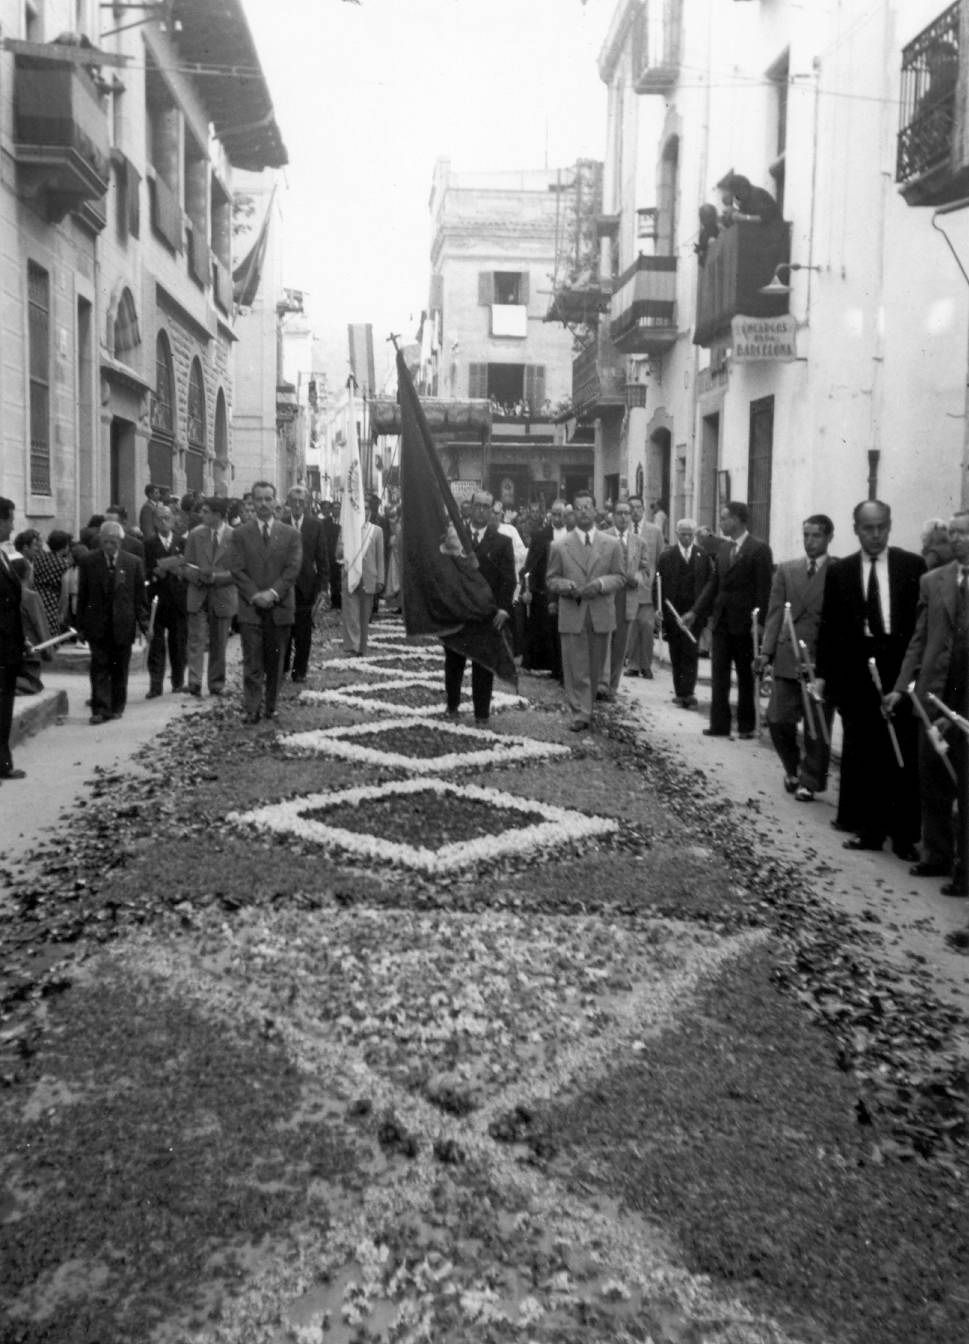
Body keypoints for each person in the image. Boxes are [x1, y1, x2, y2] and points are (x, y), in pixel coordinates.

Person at [816, 499, 924, 859]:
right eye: (868, 528)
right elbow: (829, 629)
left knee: (903, 749)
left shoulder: (912, 566)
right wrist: (823, 676)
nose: (875, 535)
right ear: (856, 529)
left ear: (889, 527)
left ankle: (905, 836)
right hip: (857, 671)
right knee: (864, 750)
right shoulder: (841, 572)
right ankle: (870, 831)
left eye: (881, 527)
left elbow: (919, 629)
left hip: (900, 667)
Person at [884, 509, 969, 896]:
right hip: (932, 695)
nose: (956, 540)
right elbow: (918, 640)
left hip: (967, 698)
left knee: (965, 785)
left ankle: (965, 870)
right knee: (932, 779)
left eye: (963, 533)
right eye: (951, 533)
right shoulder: (933, 581)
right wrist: (902, 687)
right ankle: (936, 854)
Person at [757, 515, 836, 800]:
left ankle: (810, 780)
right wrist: (766, 652)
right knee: (777, 718)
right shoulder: (787, 570)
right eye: (806, 535)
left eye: (816, 535)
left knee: (817, 725)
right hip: (788, 655)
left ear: (829, 538)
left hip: (820, 659)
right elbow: (775, 612)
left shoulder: (839, 570)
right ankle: (792, 767)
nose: (810, 541)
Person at [685, 500, 773, 738]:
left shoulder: (759, 549)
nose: (721, 522)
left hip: (746, 624)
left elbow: (765, 590)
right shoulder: (723, 549)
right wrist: (695, 611)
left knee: (746, 675)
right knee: (719, 674)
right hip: (722, 621)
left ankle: (746, 726)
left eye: (724, 518)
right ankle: (719, 724)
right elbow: (714, 585)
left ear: (737, 520)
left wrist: (761, 624)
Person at [546, 489, 625, 731]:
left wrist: (601, 584)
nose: (583, 511)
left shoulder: (611, 544)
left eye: (587, 506)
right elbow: (551, 579)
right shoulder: (560, 546)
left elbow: (620, 577)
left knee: (595, 665)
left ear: (595, 510)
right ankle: (580, 711)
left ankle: (587, 707)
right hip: (573, 611)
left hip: (600, 612)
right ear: (573, 512)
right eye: (578, 507)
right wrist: (566, 586)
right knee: (574, 665)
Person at [229, 481, 301, 723]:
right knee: (252, 662)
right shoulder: (240, 534)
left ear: (276, 501)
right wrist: (255, 595)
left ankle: (271, 705)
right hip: (251, 609)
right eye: (258, 500)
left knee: (276, 662)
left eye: (268, 499)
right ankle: (252, 708)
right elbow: (237, 569)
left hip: (280, 608)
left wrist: (272, 593)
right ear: (252, 502)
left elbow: (292, 570)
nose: (263, 504)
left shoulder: (290, 534)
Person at [444, 490, 515, 727]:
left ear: (492, 509)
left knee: (483, 665)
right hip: (459, 612)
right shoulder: (455, 537)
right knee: (454, 661)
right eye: (478, 506)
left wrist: (504, 608)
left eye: (487, 506)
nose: (482, 510)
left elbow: (508, 579)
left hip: (487, 614)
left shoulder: (502, 542)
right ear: (470, 507)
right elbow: (445, 573)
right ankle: (452, 707)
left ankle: (481, 714)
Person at [75, 520, 148, 724]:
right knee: (99, 666)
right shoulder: (89, 561)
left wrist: (144, 625)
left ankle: (117, 705)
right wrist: (80, 625)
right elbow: (83, 595)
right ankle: (100, 709)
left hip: (123, 624)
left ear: (120, 542)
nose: (109, 546)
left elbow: (140, 598)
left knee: (119, 667)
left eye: (113, 542)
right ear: (100, 542)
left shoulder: (132, 563)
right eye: (105, 542)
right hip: (97, 623)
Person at [656, 518, 713, 708]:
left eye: (690, 534)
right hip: (673, 613)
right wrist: (659, 610)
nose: (687, 538)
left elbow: (708, 586)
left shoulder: (702, 555)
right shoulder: (666, 556)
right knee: (676, 651)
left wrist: (702, 612)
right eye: (683, 534)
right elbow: (658, 585)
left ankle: (689, 692)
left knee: (691, 651)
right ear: (676, 534)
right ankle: (680, 691)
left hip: (694, 613)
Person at [184, 497, 237, 699]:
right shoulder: (196, 535)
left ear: (219, 515)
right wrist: (195, 575)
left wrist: (217, 577)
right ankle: (194, 682)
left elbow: (238, 571)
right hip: (198, 592)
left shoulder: (235, 537)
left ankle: (216, 682)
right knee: (196, 639)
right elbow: (186, 564)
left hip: (222, 594)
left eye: (206, 512)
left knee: (219, 641)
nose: (202, 515)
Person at [598, 499, 651, 701]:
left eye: (627, 513)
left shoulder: (639, 542)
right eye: (619, 513)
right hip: (607, 596)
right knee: (604, 641)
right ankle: (600, 685)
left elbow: (646, 569)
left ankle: (612, 687)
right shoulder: (603, 537)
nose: (623, 517)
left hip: (628, 598)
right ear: (613, 515)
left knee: (620, 645)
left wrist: (638, 577)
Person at [283, 485, 329, 682]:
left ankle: (299, 670)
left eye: (302, 501)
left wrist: (323, 587)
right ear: (288, 503)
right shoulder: (281, 523)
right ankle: (282, 667)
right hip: (284, 585)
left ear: (307, 503)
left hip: (306, 586)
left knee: (303, 631)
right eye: (294, 501)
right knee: (284, 629)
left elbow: (322, 557)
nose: (298, 505)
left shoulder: (315, 525)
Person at [144, 503, 187, 698]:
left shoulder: (181, 541)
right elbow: (143, 572)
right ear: (154, 521)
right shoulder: (148, 544)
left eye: (167, 518)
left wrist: (180, 571)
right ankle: (155, 685)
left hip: (178, 599)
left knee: (178, 642)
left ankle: (178, 682)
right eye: (160, 518)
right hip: (157, 599)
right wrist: (155, 574)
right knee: (157, 645)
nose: (164, 522)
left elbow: (189, 566)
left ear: (173, 519)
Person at [0, 498, 26, 781]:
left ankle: (3, 763)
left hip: (8, 645)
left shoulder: (5, 555)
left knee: (4, 707)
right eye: (9, 520)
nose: (12, 526)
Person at [625, 496, 664, 678]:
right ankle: (633, 664)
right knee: (632, 628)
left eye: (638, 507)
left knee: (647, 627)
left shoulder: (655, 531)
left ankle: (646, 664)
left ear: (643, 509)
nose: (635, 511)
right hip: (628, 587)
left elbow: (660, 559)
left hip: (648, 589)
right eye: (631, 508)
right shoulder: (623, 531)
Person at [339, 515, 384, 656]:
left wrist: (380, 579)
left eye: (368, 509)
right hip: (351, 574)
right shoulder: (346, 529)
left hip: (369, 576)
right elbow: (338, 553)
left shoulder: (376, 531)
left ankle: (362, 647)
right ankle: (353, 646)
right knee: (351, 613)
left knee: (365, 615)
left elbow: (380, 556)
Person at [33, 530, 72, 634]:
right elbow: (65, 594)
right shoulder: (64, 565)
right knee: (50, 637)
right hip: (53, 603)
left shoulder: (39, 558)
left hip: (36, 598)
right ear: (65, 546)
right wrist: (62, 613)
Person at [319, 501, 341, 610]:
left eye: (339, 508)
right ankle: (335, 601)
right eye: (335, 508)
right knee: (333, 579)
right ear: (332, 510)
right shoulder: (325, 522)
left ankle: (343, 601)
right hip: (331, 555)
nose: (336, 510)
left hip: (344, 555)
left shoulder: (346, 521)